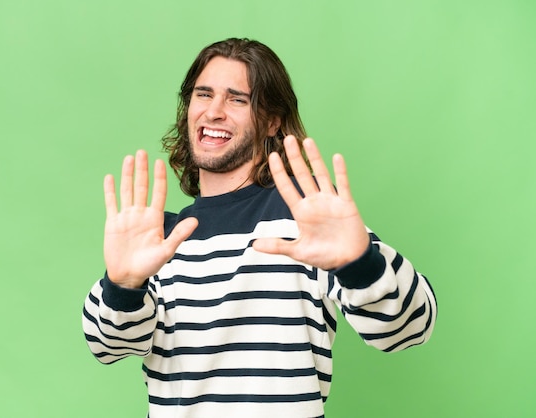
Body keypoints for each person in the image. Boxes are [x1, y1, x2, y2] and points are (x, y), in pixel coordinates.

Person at [82, 38, 437, 418]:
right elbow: (109, 346)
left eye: (237, 99)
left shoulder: (306, 214)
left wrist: (358, 263)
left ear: (272, 120)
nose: (214, 111)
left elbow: (407, 329)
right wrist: (122, 286)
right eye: (204, 94)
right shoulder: (159, 239)